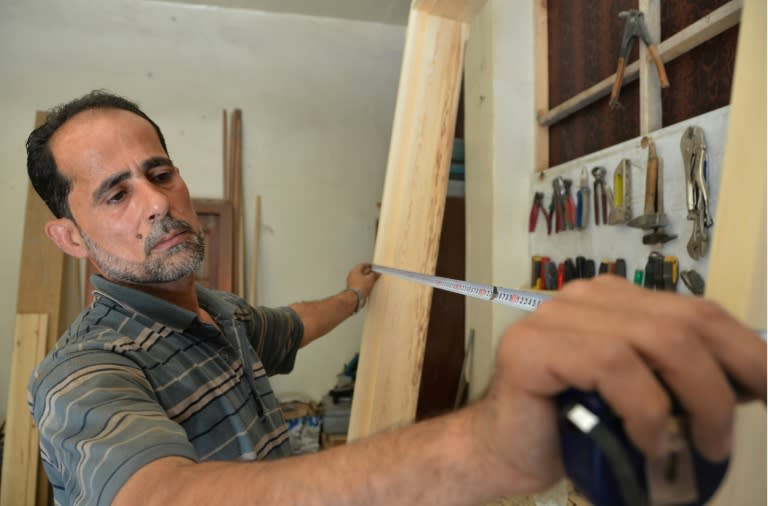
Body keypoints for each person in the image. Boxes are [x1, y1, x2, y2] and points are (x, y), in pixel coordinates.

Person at [26, 90, 765, 506]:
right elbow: (161, 500)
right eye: (116, 193)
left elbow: (290, 328)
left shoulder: (219, 314)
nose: (156, 203)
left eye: (160, 172)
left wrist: (352, 297)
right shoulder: (83, 373)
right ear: (69, 236)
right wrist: (483, 442)